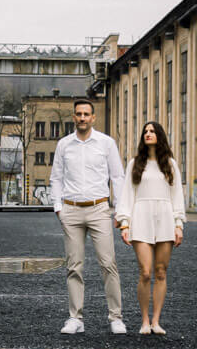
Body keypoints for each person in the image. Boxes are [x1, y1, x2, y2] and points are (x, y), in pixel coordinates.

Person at [49, 99, 128, 335]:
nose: (82, 117)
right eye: (78, 114)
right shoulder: (64, 145)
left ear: (93, 117)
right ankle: (76, 318)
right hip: (71, 210)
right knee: (74, 266)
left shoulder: (106, 143)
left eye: (86, 114)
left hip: (99, 209)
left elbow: (118, 177)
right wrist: (58, 207)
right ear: (73, 117)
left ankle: (116, 318)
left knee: (108, 264)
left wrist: (120, 210)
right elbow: (56, 178)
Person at [116, 121, 185, 334]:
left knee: (161, 272)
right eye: (145, 131)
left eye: (152, 131)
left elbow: (177, 195)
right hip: (141, 218)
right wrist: (124, 223)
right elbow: (127, 193)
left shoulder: (170, 164)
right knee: (145, 272)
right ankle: (144, 321)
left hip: (165, 218)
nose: (148, 134)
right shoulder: (135, 163)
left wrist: (178, 224)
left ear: (159, 135)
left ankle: (156, 321)